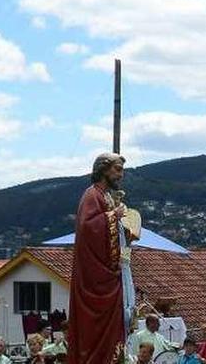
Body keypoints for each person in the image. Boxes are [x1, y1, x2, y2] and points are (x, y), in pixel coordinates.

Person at [69, 153, 135, 364]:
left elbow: (112, 234)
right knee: (94, 330)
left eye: (122, 170)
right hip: (95, 278)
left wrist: (126, 231)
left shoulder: (106, 197)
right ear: (104, 170)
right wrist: (113, 216)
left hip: (109, 276)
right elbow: (88, 228)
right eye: (117, 170)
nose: (120, 175)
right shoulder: (92, 196)